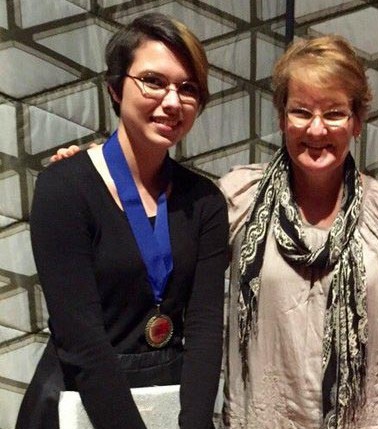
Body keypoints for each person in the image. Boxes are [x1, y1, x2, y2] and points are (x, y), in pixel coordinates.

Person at [16, 13, 228, 429]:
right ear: (115, 88)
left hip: (165, 399)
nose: (172, 101)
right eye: (153, 81)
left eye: (188, 89)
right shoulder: (65, 188)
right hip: (80, 399)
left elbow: (204, 330)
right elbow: (81, 341)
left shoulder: (204, 201)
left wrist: (197, 423)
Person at [218, 35, 378, 428]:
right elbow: (162, 238)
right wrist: (102, 171)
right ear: (281, 118)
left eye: (335, 113)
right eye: (301, 111)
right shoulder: (238, 199)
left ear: (357, 121)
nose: (317, 129)